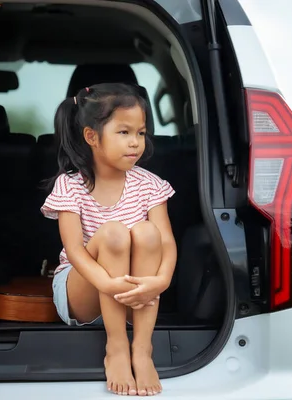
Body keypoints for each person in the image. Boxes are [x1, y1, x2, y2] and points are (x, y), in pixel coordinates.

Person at [40, 83, 176, 396]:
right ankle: (116, 348)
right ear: (92, 137)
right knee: (114, 232)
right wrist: (107, 283)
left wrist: (162, 280)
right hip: (83, 292)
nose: (135, 143)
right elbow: (75, 251)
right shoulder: (71, 186)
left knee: (147, 231)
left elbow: (166, 243)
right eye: (124, 132)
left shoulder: (150, 185)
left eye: (140, 133)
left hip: (133, 295)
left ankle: (141, 350)